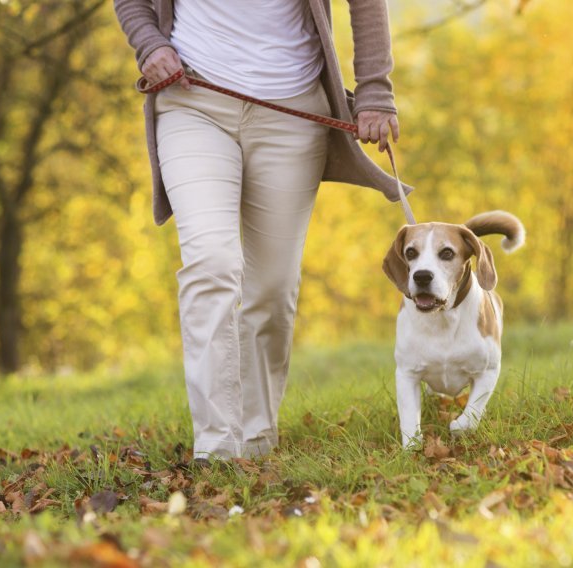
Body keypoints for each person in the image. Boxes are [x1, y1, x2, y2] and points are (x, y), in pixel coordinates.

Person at [114, 0, 406, 461]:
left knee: (272, 288)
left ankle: (255, 438)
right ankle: (217, 447)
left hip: (291, 113)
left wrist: (374, 92)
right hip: (193, 101)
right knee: (211, 261)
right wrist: (148, 44)